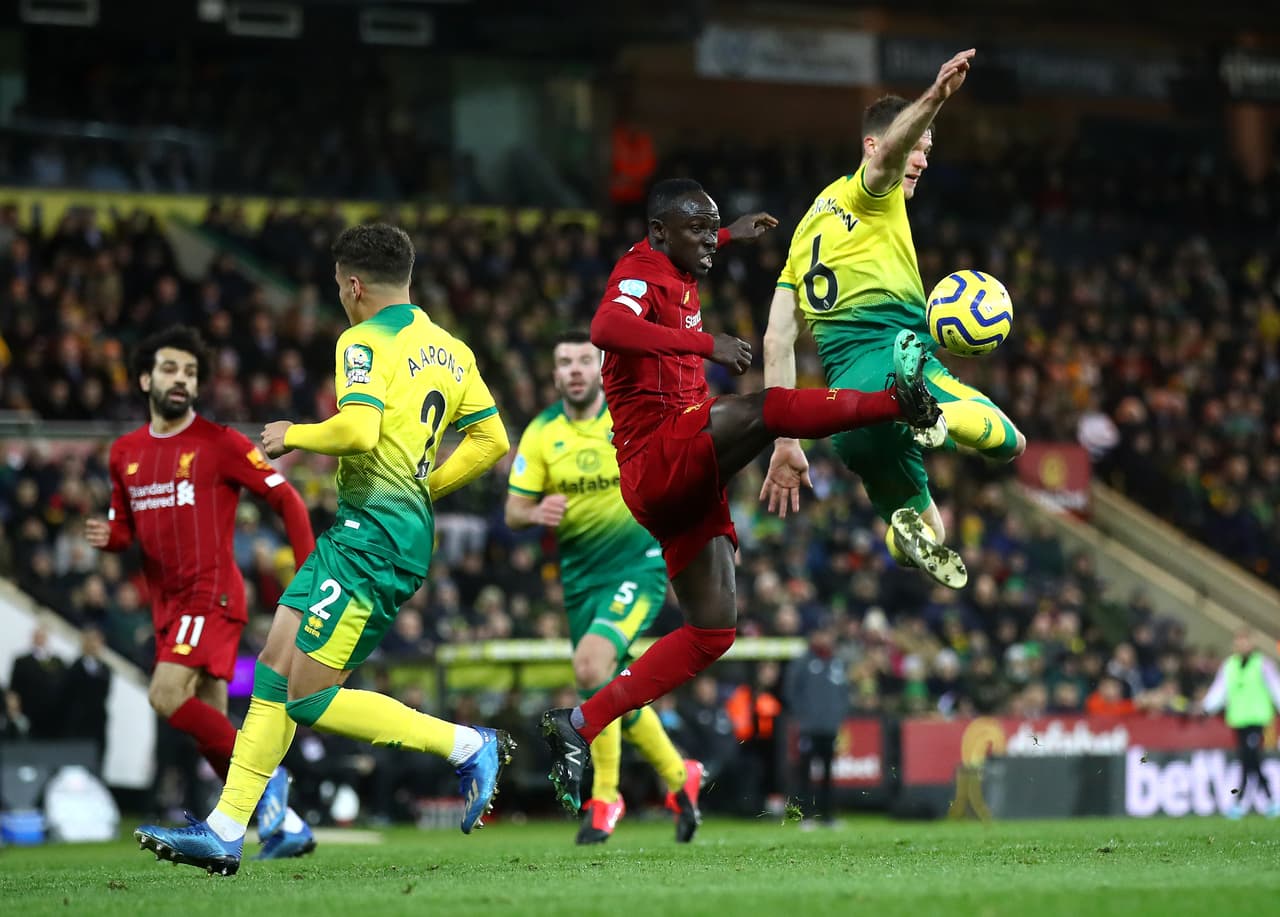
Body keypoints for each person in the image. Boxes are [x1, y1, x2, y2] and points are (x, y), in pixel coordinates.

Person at [539, 179, 944, 812]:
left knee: (713, 632)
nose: (707, 242)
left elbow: (692, 241)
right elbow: (606, 326)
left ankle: (579, 725)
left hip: (683, 479)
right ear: (657, 234)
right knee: (765, 409)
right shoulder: (639, 270)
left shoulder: (677, 259)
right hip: (658, 457)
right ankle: (900, 399)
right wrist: (709, 345)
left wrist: (730, 233)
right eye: (696, 231)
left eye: (711, 230)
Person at [134, 223, 514, 876]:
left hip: (374, 537)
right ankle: (227, 828)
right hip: (376, 528)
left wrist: (295, 434)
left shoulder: (361, 339)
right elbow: (491, 441)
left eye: (341, 287)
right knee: (276, 665)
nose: (342, 297)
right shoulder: (451, 350)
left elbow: (360, 428)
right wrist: (427, 487)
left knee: (308, 697)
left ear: (355, 285)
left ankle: (465, 743)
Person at [762, 48, 1025, 589]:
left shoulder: (802, 236)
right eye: (918, 147)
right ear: (874, 145)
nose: (923, 160)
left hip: (847, 412)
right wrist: (935, 97)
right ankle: (928, 414)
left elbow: (775, 342)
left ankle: (913, 456)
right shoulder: (868, 191)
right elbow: (887, 158)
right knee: (1010, 444)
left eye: (927, 149)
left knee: (930, 535)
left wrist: (785, 443)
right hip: (892, 356)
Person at [85, 324, 317, 859]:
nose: (181, 379)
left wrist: (305, 580)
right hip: (168, 607)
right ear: (145, 378)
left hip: (210, 596)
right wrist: (110, 536)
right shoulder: (125, 453)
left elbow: (289, 502)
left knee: (165, 696)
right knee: (212, 730)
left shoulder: (221, 444)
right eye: (170, 368)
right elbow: (125, 527)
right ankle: (284, 825)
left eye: (190, 372)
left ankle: (273, 783)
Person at [506, 330, 703, 845]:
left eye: (582, 361)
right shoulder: (541, 433)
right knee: (605, 685)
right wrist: (534, 511)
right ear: (554, 374)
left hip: (637, 565)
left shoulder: (627, 415)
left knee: (591, 668)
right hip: (580, 580)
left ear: (599, 369)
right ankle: (683, 779)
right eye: (564, 361)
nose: (573, 369)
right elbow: (512, 510)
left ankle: (605, 796)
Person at [1199, 629, 1280, 818]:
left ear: (1252, 643)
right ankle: (1268, 801)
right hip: (1239, 720)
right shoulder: (1229, 665)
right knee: (1249, 759)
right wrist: (1206, 708)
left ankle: (1243, 801)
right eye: (1239, 641)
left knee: (1248, 757)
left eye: (1245, 640)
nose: (1242, 644)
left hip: (1258, 719)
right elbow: (1220, 689)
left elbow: (1276, 687)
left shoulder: (1263, 664)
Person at [783, 623, 849, 829]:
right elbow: (791, 692)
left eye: (827, 634)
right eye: (821, 634)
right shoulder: (803, 662)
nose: (824, 639)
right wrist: (803, 717)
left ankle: (828, 816)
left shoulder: (836, 662)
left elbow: (844, 693)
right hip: (808, 728)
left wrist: (838, 716)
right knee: (805, 774)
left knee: (828, 774)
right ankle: (806, 817)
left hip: (830, 728)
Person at [59, 625, 113, 769]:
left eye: (98, 641)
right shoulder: (75, 667)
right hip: (77, 724)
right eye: (91, 640)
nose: (95, 645)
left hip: (97, 725)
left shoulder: (106, 670)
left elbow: (104, 694)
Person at [7, 626, 66, 740]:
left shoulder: (57, 662)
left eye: (43, 636)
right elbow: (13, 688)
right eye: (38, 636)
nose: (40, 639)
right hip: (29, 711)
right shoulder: (22, 661)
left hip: (52, 714)